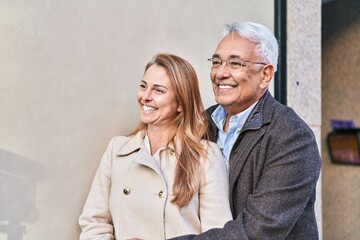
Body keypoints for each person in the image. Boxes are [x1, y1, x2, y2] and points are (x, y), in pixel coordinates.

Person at [171, 22, 322, 240]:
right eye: (216, 62)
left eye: (235, 64)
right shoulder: (201, 124)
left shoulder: (292, 137)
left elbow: (256, 232)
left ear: (265, 75)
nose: (220, 73)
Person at [78, 53, 232, 239]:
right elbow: (93, 223)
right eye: (144, 86)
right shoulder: (117, 150)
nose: (145, 97)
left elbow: (218, 235)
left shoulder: (205, 157)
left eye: (158, 90)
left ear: (180, 104)